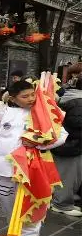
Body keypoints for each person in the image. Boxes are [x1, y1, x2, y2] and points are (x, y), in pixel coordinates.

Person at [0, 80, 68, 236]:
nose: (31, 99)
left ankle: (29, 235)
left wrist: (39, 143)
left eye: (32, 94)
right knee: (4, 197)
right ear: (12, 98)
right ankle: (15, 227)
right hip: (4, 167)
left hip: (33, 167)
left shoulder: (43, 112)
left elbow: (61, 135)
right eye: (25, 96)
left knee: (34, 200)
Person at [50, 77, 82, 216]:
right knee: (68, 177)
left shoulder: (72, 97)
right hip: (70, 146)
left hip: (68, 144)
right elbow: (76, 124)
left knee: (66, 176)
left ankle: (63, 201)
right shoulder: (78, 102)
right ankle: (61, 204)